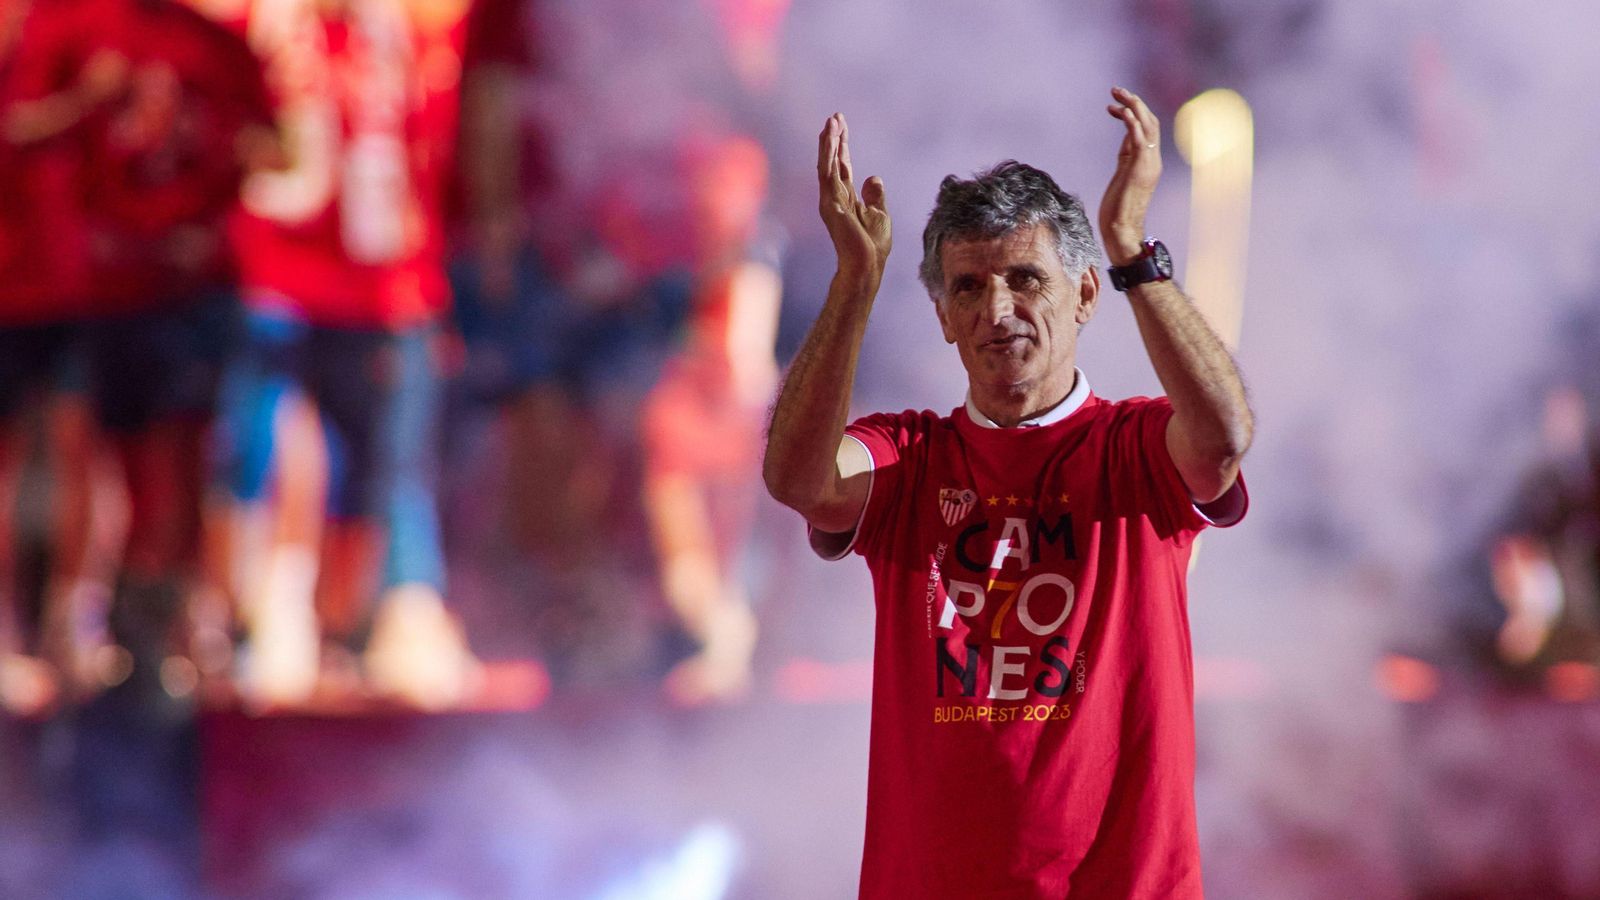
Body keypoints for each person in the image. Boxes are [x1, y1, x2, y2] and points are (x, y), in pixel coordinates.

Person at [763, 89, 1253, 897]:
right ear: (944, 316)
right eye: (967, 288)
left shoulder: (1134, 448)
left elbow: (1224, 439)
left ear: (1086, 295)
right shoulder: (908, 456)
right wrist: (855, 282)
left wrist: (1130, 247)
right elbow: (797, 481)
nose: (999, 311)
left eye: (1027, 279)